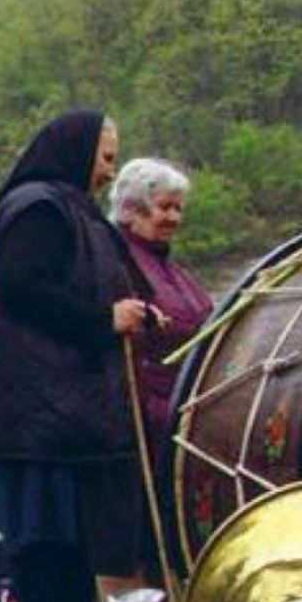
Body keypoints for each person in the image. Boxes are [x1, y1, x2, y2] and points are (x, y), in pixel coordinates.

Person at [0, 110, 154, 602]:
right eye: (106, 158)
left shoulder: (75, 211)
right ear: (75, 151)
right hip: (37, 415)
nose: (107, 172)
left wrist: (134, 311)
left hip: (68, 418)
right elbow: (23, 288)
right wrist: (103, 320)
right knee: (46, 543)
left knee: (72, 544)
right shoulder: (38, 210)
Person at [108, 157, 213, 476]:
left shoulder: (176, 272)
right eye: (164, 207)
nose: (174, 218)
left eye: (178, 209)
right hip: (146, 423)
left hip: (187, 410)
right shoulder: (115, 264)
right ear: (129, 210)